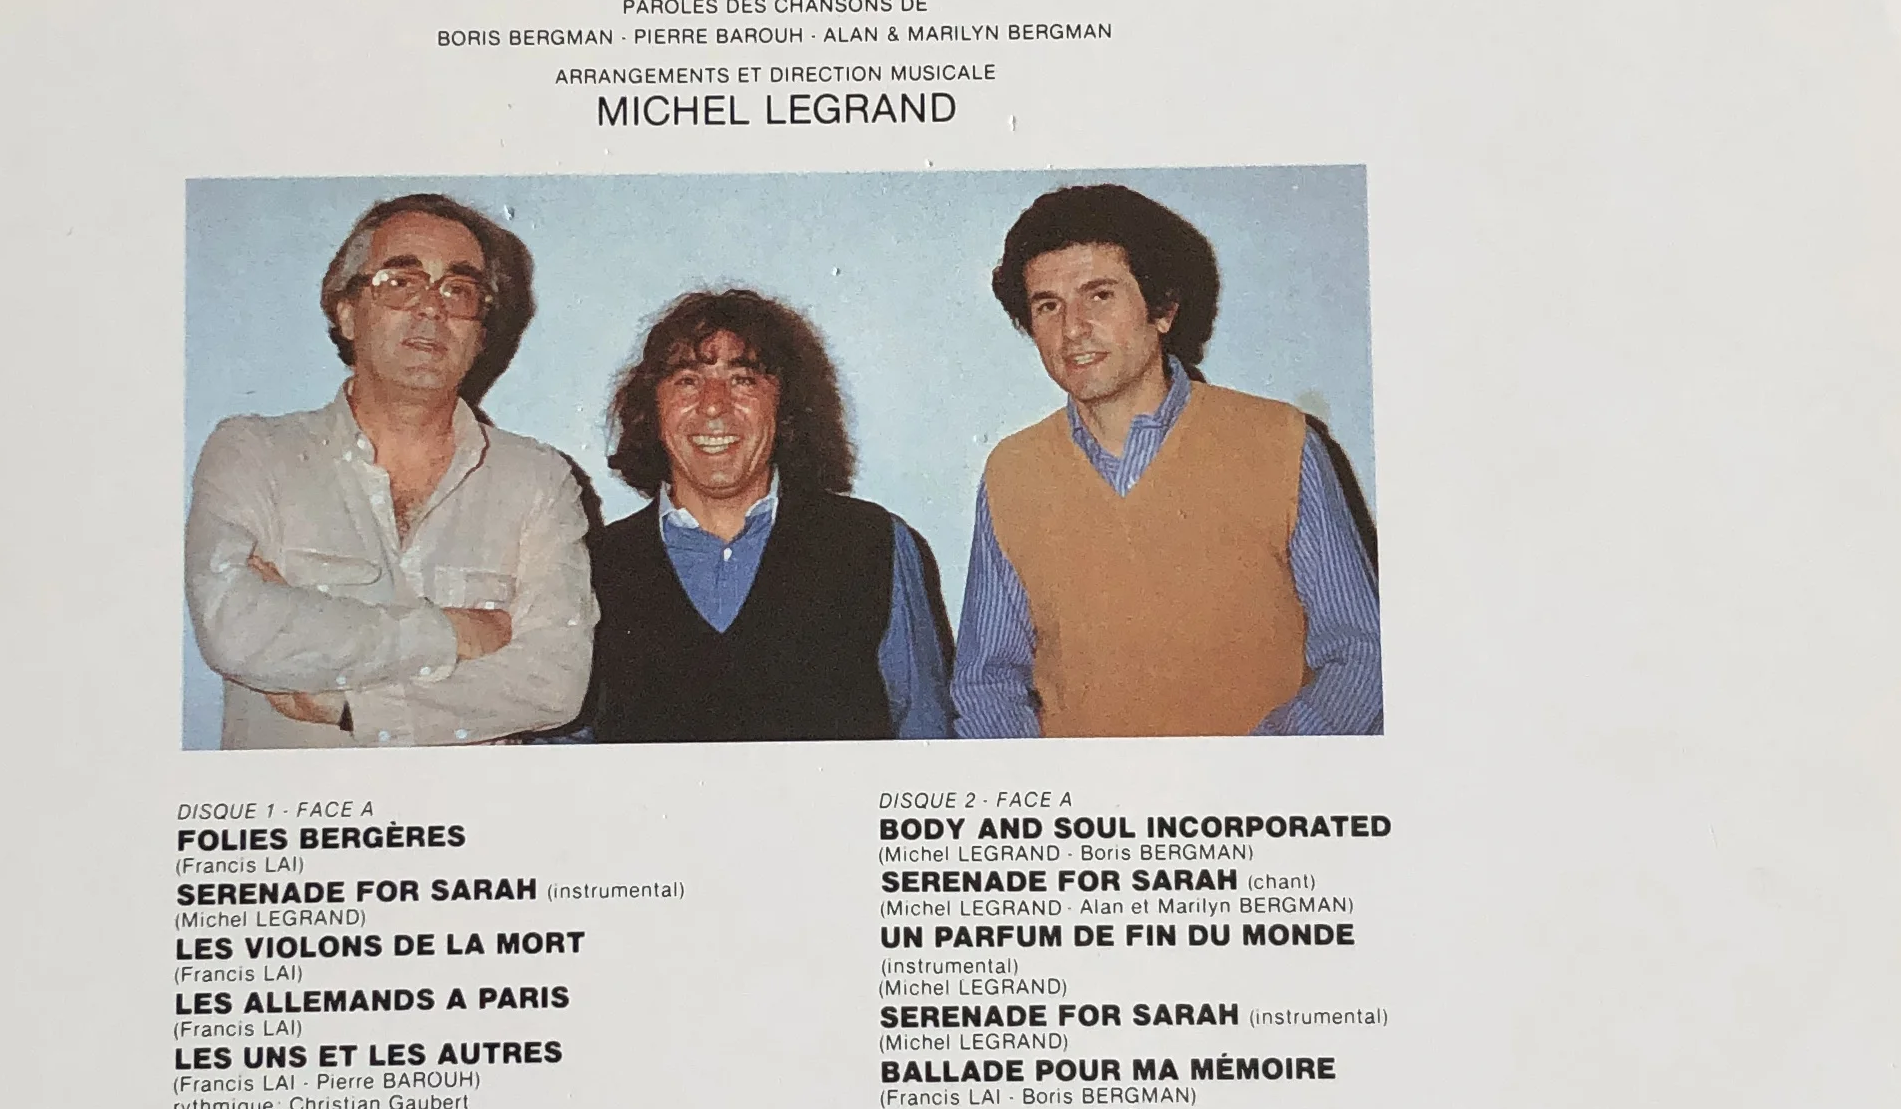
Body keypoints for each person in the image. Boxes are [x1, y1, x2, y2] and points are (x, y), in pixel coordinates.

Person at [952, 183, 1381, 738]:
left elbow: (1361, 654)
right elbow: (986, 683)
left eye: (1099, 296)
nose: (1072, 328)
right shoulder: (1013, 472)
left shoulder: (1281, 442)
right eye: (1048, 305)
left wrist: (1261, 768)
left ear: (1163, 310)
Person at [186, 193, 594, 747]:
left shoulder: (538, 480)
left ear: (480, 333)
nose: (432, 309)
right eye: (400, 283)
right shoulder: (254, 452)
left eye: (459, 289)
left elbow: (555, 684)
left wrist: (351, 707)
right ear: (347, 312)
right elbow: (233, 627)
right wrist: (450, 633)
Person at [584, 288, 952, 741]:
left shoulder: (873, 544)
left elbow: (926, 737)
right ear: (653, 407)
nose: (713, 404)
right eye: (688, 381)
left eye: (743, 380)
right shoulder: (593, 567)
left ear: (786, 406)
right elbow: (560, 755)